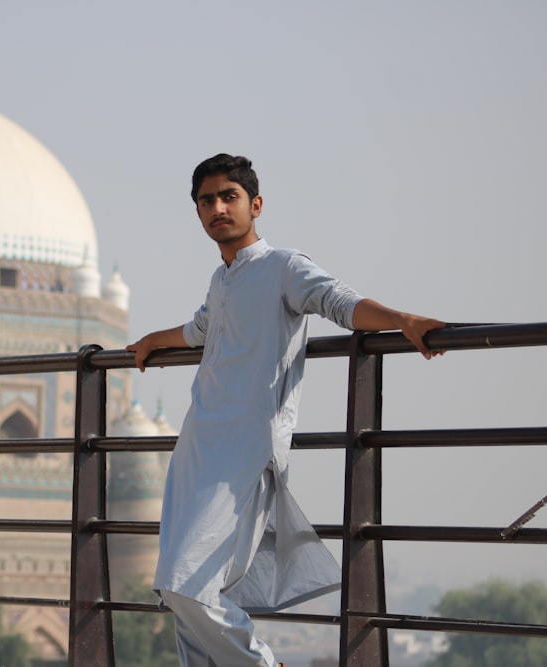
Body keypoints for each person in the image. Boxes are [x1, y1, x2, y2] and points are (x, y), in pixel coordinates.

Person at [127, 154, 445, 667]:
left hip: (244, 455)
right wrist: (150, 342)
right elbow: (201, 330)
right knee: (175, 590)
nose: (217, 208)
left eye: (228, 197)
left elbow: (339, 302)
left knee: (190, 586)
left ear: (255, 204)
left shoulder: (283, 267)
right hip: (196, 448)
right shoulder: (222, 278)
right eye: (206, 201)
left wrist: (401, 319)